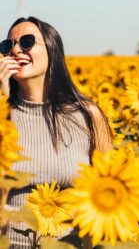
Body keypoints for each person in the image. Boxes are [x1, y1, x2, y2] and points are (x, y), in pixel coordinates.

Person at [0, 16, 112, 248]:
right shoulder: (3, 114)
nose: (17, 50)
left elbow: (106, 187)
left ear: (52, 51)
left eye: (27, 42)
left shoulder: (87, 116)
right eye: (8, 45)